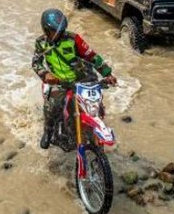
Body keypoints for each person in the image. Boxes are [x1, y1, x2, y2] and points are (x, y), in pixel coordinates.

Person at [31, 9, 117, 149]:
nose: (59, 34)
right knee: (53, 106)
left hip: (82, 79)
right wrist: (45, 74)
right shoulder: (41, 43)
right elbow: (36, 63)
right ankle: (48, 131)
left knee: (96, 106)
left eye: (61, 30)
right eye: (55, 31)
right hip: (60, 82)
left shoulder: (73, 39)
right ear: (46, 30)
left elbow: (92, 56)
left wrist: (107, 74)